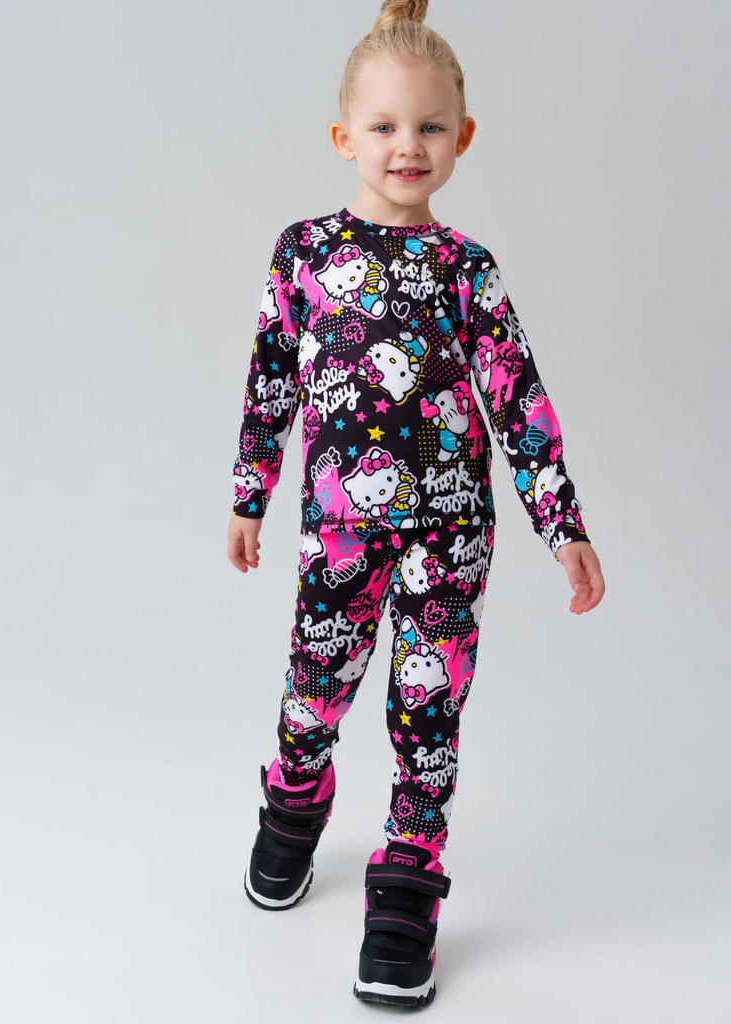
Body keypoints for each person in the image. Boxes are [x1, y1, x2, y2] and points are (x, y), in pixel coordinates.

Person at [227, 0, 605, 1008]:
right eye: (386, 126)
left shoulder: (468, 269)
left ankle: (408, 871)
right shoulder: (304, 253)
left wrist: (562, 524)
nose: (408, 146)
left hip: (452, 534)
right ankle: (298, 788)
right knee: (316, 685)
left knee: (426, 710)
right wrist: (249, 492)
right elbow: (270, 379)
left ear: (462, 139)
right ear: (343, 137)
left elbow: (519, 398)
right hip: (340, 531)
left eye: (430, 127)